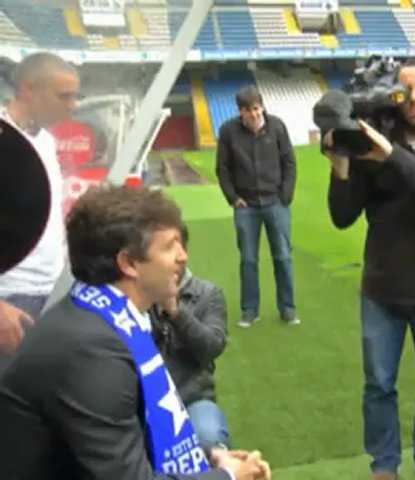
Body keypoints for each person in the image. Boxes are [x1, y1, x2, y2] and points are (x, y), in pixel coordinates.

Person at [0, 186, 271, 480]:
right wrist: (227, 477)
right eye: (169, 246)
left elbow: (128, 438)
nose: (183, 256)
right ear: (129, 264)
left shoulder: (102, 316)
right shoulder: (90, 350)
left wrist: (208, 457)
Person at [325, 59, 415, 480]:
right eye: (407, 89)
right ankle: (384, 465)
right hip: (382, 288)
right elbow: (342, 216)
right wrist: (340, 165)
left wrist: (391, 156)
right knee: (379, 385)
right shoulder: (372, 141)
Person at [0, 52, 78, 362]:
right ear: (29, 89)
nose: (72, 105)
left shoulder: (45, 141)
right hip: (11, 300)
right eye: (64, 96)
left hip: (54, 291)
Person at [215, 85, 298, 328]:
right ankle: (250, 310)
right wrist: (233, 198)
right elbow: (222, 168)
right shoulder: (228, 131)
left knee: (283, 257)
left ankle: (287, 308)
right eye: (247, 110)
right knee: (249, 260)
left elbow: (289, 163)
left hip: (276, 202)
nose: (253, 114)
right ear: (240, 111)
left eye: (256, 108)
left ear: (262, 106)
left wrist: (285, 195)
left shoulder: (277, 126)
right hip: (246, 206)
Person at [150, 223, 231, 451]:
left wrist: (175, 311)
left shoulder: (208, 293)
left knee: (208, 438)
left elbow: (211, 348)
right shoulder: (138, 296)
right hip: (146, 401)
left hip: (193, 398)